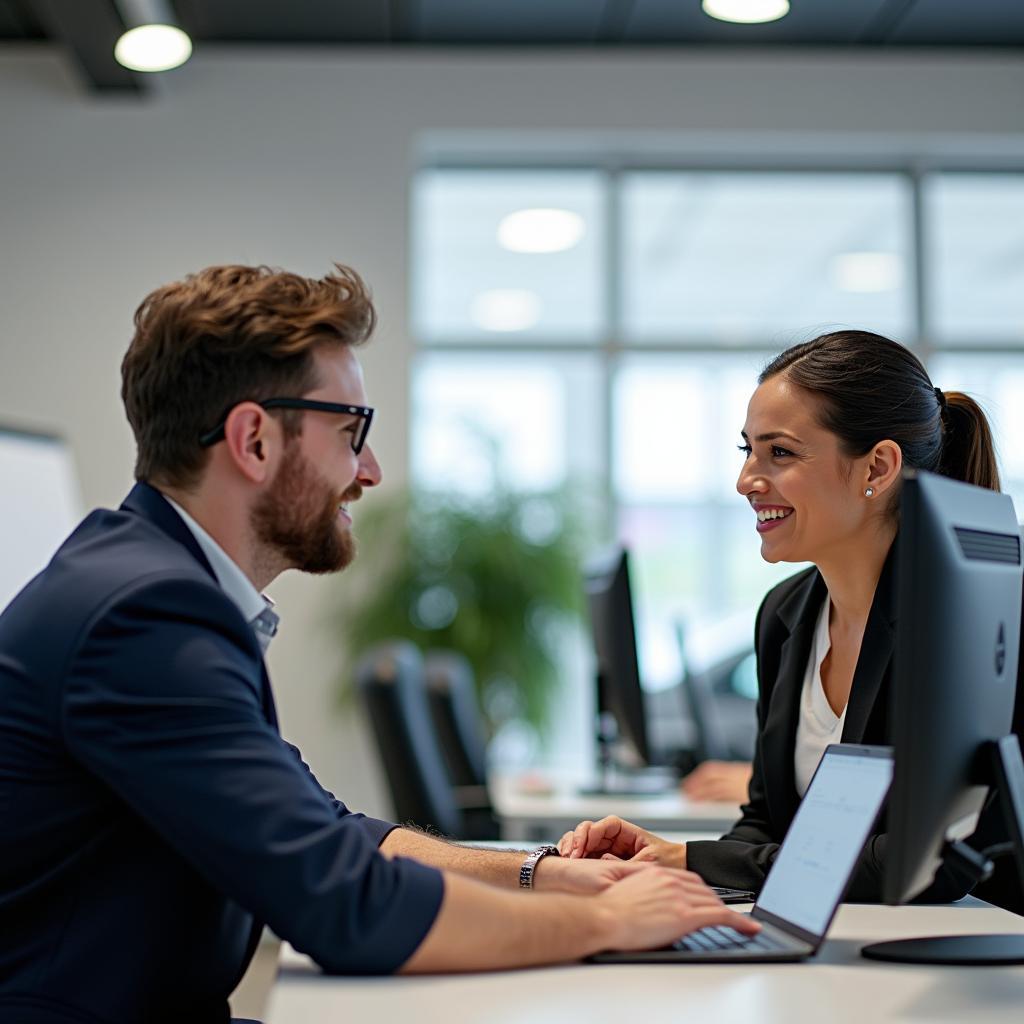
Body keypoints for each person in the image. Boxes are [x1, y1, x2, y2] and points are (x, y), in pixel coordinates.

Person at [0, 263, 756, 1023]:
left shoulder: (151, 583)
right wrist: (607, 924)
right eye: (350, 431)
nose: (370, 470)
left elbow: (328, 832)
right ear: (254, 439)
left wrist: (541, 873)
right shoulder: (146, 615)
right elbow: (343, 907)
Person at [559, 330, 1022, 906]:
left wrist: (694, 858)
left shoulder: (963, 622)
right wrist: (666, 867)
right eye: (747, 450)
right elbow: (766, 823)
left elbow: (924, 863)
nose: (746, 479)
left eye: (779, 452)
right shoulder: (785, 615)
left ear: (876, 466)